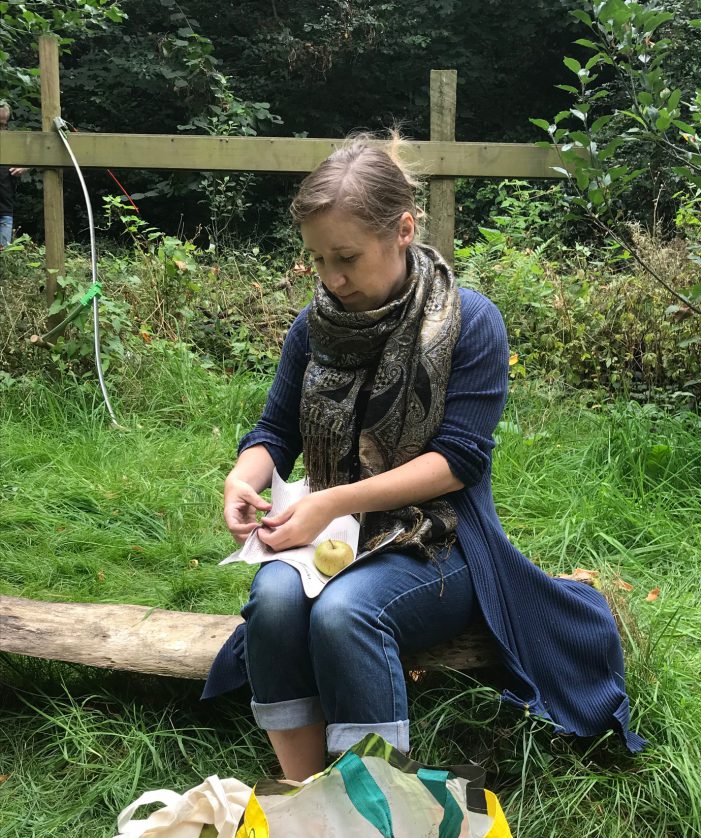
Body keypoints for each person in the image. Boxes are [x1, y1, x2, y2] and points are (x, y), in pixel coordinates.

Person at [205, 134, 644, 780]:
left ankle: (369, 809)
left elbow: (458, 461)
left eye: (347, 258)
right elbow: (274, 430)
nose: (331, 278)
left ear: (404, 230)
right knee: (272, 597)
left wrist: (331, 500)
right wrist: (243, 477)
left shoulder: (471, 324)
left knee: (345, 614)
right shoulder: (313, 329)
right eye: (319, 259)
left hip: (443, 542)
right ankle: (302, 794)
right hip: (333, 536)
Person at [0, 101, 28, 249]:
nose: (3, 128)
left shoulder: (11, 140)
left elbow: (34, 156)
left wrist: (25, 166)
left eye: (5, 124)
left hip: (5, 210)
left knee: (4, 258)